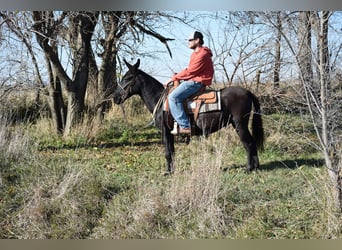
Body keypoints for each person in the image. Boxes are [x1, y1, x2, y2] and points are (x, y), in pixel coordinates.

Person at [163, 31, 214, 134]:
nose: (188, 42)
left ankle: (185, 126)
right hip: (193, 80)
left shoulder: (202, 54)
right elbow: (190, 70)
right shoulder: (194, 54)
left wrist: (172, 78)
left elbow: (190, 71)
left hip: (196, 82)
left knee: (173, 97)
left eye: (190, 40)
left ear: (197, 40)